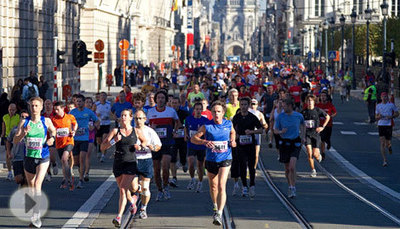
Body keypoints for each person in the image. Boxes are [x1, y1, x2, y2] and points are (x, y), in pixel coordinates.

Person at [13, 97, 57, 228]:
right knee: (31, 186)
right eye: (32, 106)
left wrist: (52, 138)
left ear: (41, 107)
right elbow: (15, 140)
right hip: (29, 157)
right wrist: (23, 134)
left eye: (37, 106)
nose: (34, 108)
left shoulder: (46, 121)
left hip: (43, 156)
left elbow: (53, 130)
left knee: (38, 184)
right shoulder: (24, 122)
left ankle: (36, 215)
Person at [191, 100, 236, 226]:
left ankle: (219, 213)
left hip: (225, 158)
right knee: (213, 186)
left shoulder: (228, 124)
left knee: (222, 185)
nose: (216, 114)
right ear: (211, 112)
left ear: (223, 113)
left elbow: (233, 132)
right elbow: (194, 138)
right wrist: (204, 142)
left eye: (219, 112)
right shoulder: (207, 126)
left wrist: (233, 141)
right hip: (211, 159)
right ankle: (215, 206)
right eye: (214, 112)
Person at [100, 109, 146, 227]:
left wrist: (140, 146)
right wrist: (114, 141)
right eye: (122, 115)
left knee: (122, 189)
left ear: (131, 118)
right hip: (118, 163)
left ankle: (119, 216)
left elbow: (144, 141)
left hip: (130, 162)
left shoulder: (136, 131)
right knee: (124, 190)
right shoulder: (115, 131)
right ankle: (133, 201)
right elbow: (102, 147)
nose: (123, 117)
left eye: (126, 115)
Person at [147, 90, 181, 201]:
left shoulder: (171, 111)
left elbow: (178, 122)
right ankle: (159, 190)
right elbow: (146, 126)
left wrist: (175, 131)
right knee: (156, 170)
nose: (160, 100)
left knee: (165, 167)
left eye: (162, 98)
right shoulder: (151, 112)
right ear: (155, 100)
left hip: (168, 142)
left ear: (166, 100)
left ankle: (166, 187)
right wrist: (151, 129)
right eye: (158, 98)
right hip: (155, 143)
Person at [133, 109, 162, 219]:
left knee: (145, 187)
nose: (138, 120)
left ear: (145, 119)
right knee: (133, 187)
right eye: (136, 118)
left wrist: (152, 147)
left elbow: (158, 146)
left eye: (140, 118)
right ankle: (135, 197)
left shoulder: (150, 131)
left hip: (146, 160)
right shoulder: (131, 131)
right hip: (133, 161)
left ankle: (143, 208)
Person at [232, 97, 263, 197]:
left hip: (250, 144)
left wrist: (252, 132)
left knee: (251, 166)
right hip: (240, 144)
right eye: (242, 105)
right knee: (242, 166)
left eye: (245, 105)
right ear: (239, 105)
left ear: (249, 105)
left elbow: (261, 129)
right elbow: (231, 129)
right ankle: (244, 186)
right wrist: (234, 135)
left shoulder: (252, 117)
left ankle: (252, 185)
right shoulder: (236, 117)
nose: (243, 107)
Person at [274, 98, 305, 198]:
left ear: (290, 106)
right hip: (284, 143)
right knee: (287, 168)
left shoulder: (298, 116)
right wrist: (280, 132)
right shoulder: (280, 116)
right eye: (282, 106)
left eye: (284, 106)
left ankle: (293, 187)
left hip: (295, 143)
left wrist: (303, 136)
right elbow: (275, 129)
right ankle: (290, 185)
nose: (283, 108)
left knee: (292, 166)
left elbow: (303, 125)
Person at [70, 95, 100, 188]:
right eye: (77, 101)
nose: (78, 103)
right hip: (75, 139)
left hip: (84, 139)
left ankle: (80, 179)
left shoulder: (89, 112)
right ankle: (80, 169)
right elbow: (67, 122)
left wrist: (94, 126)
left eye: (80, 101)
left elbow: (97, 121)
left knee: (83, 158)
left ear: (83, 102)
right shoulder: (72, 112)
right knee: (76, 161)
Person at [51, 102, 78, 190]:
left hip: (69, 141)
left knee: (64, 158)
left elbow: (75, 124)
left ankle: (69, 179)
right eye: (54, 109)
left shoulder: (70, 117)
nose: (55, 111)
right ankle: (66, 178)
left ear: (63, 108)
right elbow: (51, 130)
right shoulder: (53, 119)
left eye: (57, 109)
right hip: (59, 144)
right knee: (64, 162)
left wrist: (74, 131)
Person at [302, 95, 330, 177]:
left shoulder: (318, 110)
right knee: (309, 153)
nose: (309, 102)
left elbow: (327, 117)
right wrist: (302, 135)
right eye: (308, 101)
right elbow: (300, 122)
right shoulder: (303, 112)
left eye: (311, 101)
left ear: (314, 102)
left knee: (315, 154)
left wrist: (323, 127)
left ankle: (319, 156)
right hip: (307, 134)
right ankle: (313, 170)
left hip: (315, 134)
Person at [185, 102, 209, 192]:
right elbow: (186, 127)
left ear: (202, 110)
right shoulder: (189, 119)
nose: (198, 111)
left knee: (200, 165)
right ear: (194, 110)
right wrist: (185, 135)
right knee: (191, 162)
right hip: (191, 144)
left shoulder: (205, 120)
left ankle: (200, 182)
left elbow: (208, 131)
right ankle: (192, 179)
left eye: (200, 109)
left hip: (201, 145)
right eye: (196, 109)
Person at [375, 92, 399, 166]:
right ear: (381, 97)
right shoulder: (378, 106)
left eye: (385, 97)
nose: (384, 98)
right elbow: (376, 116)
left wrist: (391, 117)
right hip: (381, 125)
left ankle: (389, 146)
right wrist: (379, 117)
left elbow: (397, 113)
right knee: (382, 143)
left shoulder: (391, 105)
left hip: (388, 125)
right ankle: (384, 160)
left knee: (387, 142)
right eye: (383, 97)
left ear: (387, 97)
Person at [170, 97, 189, 187]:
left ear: (179, 104)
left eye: (176, 103)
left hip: (182, 137)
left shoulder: (184, 113)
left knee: (183, 155)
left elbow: (186, 125)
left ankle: (184, 162)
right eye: (172, 103)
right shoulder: (168, 114)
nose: (174, 105)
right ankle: (174, 177)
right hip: (172, 138)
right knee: (172, 158)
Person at [8, 110, 29, 187]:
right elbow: (8, 141)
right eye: (22, 117)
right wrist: (8, 152)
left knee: (28, 178)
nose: (23, 119)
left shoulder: (32, 129)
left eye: (26, 117)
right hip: (17, 157)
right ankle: (22, 185)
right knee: (18, 179)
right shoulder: (15, 130)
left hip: (28, 157)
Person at [248, 98, 268, 174]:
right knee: (248, 153)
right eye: (252, 104)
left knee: (256, 154)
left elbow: (265, 124)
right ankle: (247, 168)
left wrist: (264, 125)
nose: (253, 105)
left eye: (254, 104)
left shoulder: (259, 113)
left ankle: (254, 169)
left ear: (257, 105)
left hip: (256, 134)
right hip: (248, 134)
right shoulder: (247, 112)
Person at [316, 92, 337, 159]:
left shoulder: (330, 105)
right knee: (322, 139)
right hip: (320, 125)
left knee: (327, 138)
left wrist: (330, 116)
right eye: (321, 96)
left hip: (328, 124)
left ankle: (329, 142)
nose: (323, 97)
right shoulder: (318, 105)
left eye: (324, 96)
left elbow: (335, 112)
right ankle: (323, 153)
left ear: (327, 97)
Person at [2, 103, 20, 181]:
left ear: (15, 110)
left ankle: (17, 171)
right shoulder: (5, 117)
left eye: (13, 110)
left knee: (16, 155)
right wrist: (2, 134)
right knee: (7, 155)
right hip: (7, 138)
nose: (11, 111)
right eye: (10, 110)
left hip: (15, 138)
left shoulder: (18, 117)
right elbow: (4, 126)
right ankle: (9, 172)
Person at [96, 92, 112, 162]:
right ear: (99, 97)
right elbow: (92, 113)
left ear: (106, 97)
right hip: (99, 124)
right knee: (99, 140)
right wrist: (97, 115)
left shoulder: (109, 104)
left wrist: (111, 116)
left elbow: (112, 112)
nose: (102, 97)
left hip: (106, 124)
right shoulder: (96, 104)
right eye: (101, 96)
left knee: (105, 139)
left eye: (104, 96)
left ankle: (103, 155)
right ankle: (99, 148)